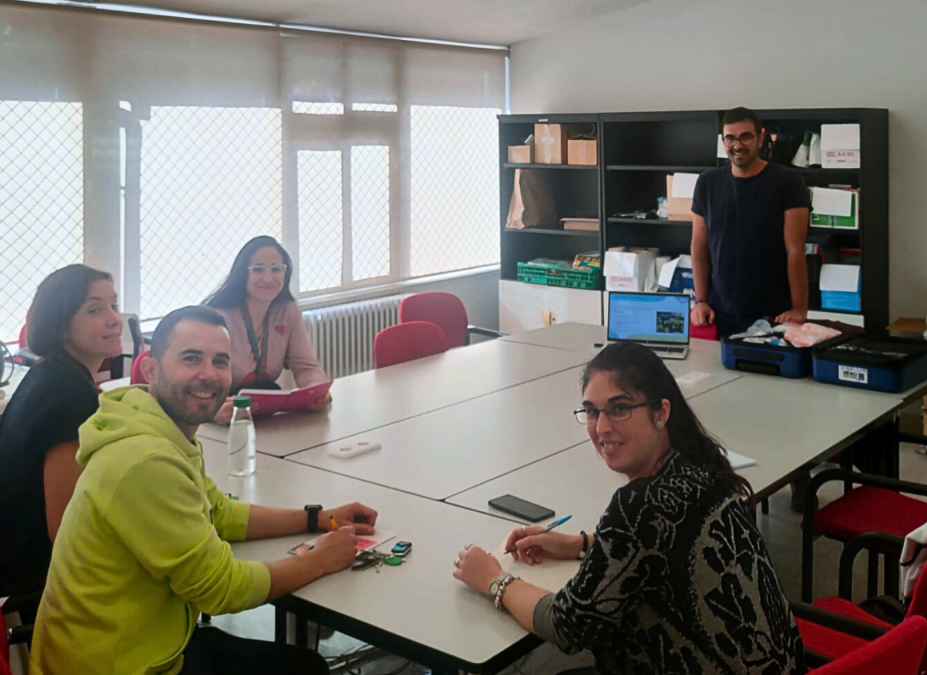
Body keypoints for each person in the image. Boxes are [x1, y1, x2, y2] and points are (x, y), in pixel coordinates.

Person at [29, 306, 379, 675]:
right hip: (118, 665)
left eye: (220, 361)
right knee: (301, 668)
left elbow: (219, 512)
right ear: (150, 369)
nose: (208, 375)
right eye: (191, 359)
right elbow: (222, 588)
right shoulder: (145, 459)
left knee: (297, 663)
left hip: (144, 641)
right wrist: (319, 560)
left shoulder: (156, 425)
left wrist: (317, 518)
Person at [452, 342, 804, 675]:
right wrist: (582, 545)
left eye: (619, 408)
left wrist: (493, 579)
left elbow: (568, 624)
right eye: (591, 412)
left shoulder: (639, 505)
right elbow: (663, 547)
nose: (602, 428)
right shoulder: (702, 465)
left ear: (661, 411)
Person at [0, 265, 122, 604]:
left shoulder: (51, 375)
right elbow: (65, 528)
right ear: (61, 324)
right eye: (95, 310)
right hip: (24, 570)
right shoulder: (69, 397)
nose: (115, 318)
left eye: (114, 304)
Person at [690, 106, 811, 338]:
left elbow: (795, 250)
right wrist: (701, 300)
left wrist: (799, 308)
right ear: (723, 141)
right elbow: (699, 246)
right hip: (720, 310)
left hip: (774, 313)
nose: (737, 145)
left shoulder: (788, 181)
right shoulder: (707, 183)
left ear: (760, 138)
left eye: (745, 137)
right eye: (730, 138)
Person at [204, 236, 329, 423]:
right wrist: (211, 412)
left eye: (276, 269)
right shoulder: (216, 316)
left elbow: (306, 366)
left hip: (263, 415)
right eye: (258, 269)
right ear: (242, 274)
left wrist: (317, 392)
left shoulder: (288, 310)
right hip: (218, 415)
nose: (268, 278)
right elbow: (197, 378)